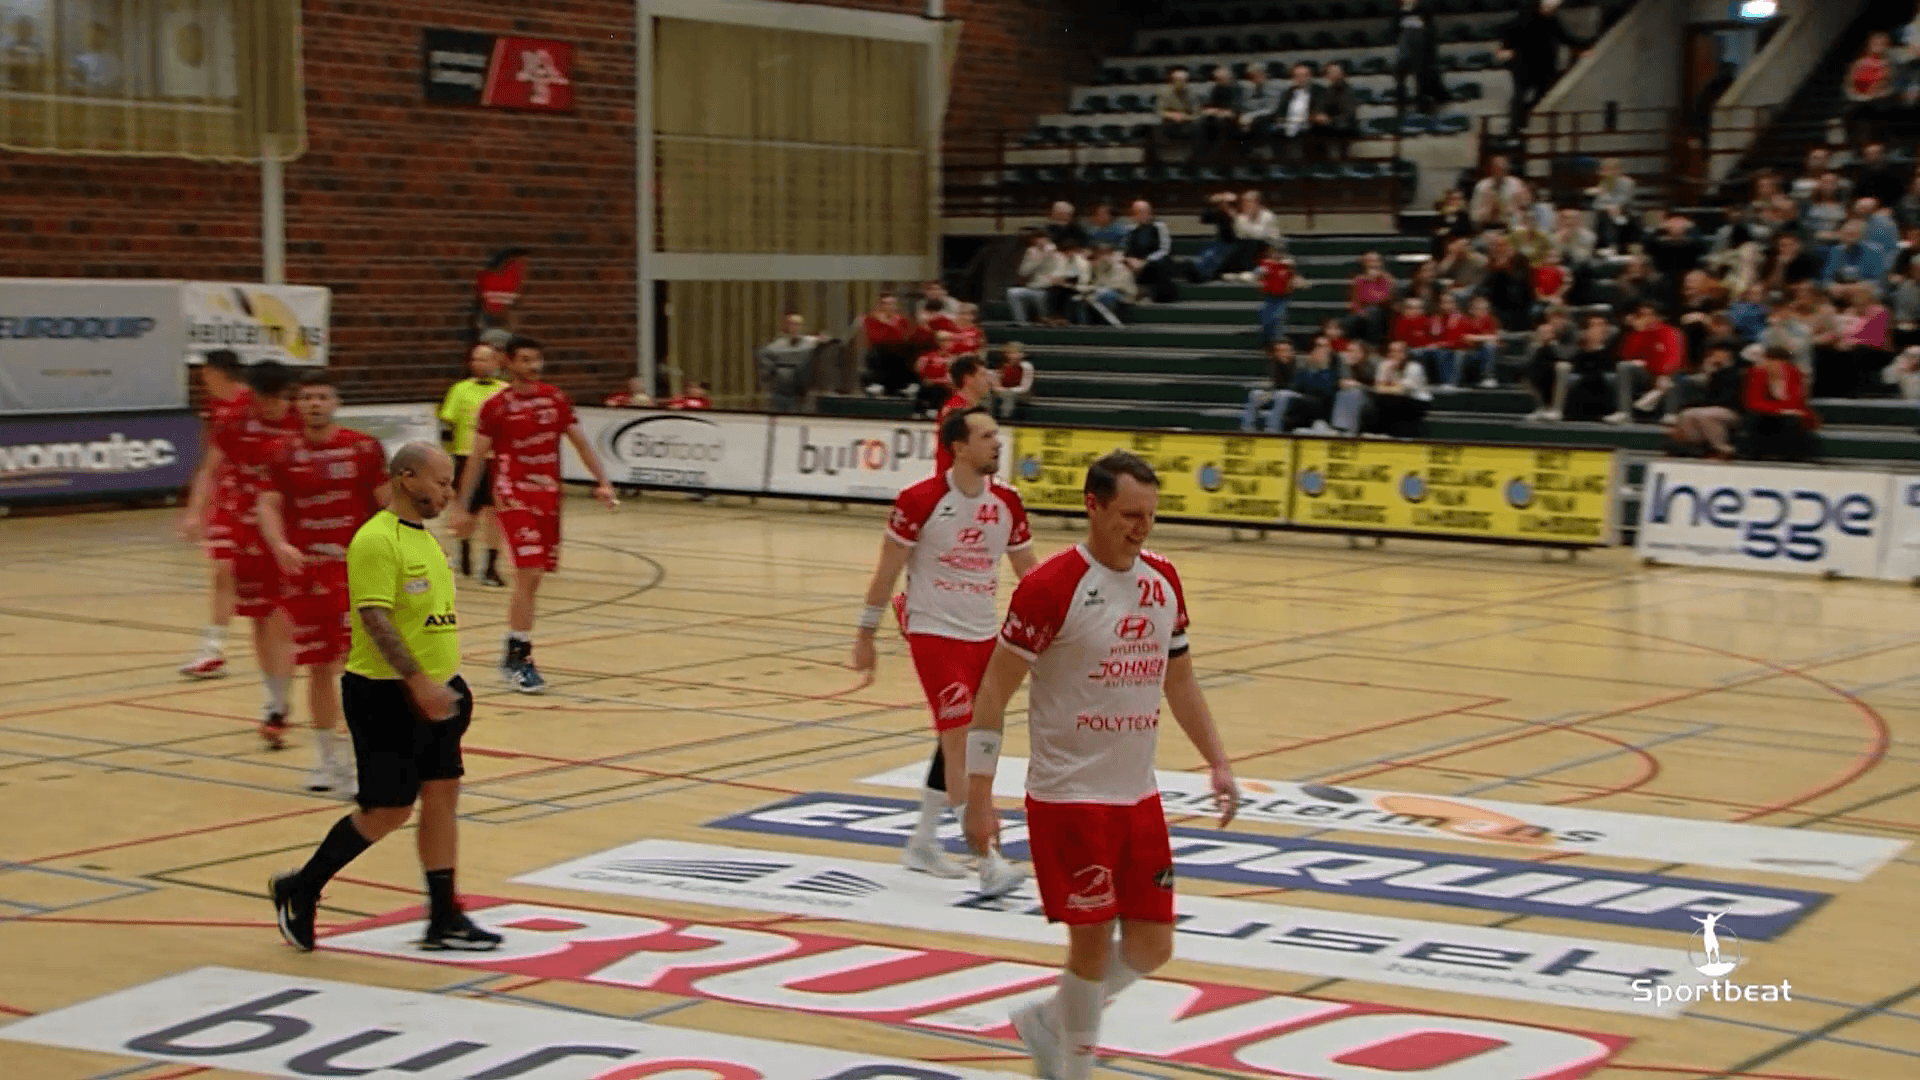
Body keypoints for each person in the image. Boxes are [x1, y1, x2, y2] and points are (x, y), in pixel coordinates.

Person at [961, 450, 1237, 1080]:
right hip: (1069, 797)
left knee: (1152, 946)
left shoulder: (1164, 581)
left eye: (1150, 517)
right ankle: (1073, 1068)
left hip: (1137, 797)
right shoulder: (1050, 587)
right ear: (1093, 505)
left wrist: (1217, 761)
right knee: (1089, 946)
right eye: (1129, 515)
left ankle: (1048, 1023)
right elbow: (992, 694)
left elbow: (1182, 682)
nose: (1140, 529)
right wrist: (979, 794)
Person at [269, 443, 501, 954]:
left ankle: (444, 916)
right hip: (386, 696)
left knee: (442, 798)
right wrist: (418, 682)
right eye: (440, 483)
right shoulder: (375, 541)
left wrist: (448, 683)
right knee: (387, 810)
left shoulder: (425, 542)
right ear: (406, 477)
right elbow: (375, 619)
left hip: (439, 691)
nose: (447, 492)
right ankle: (301, 888)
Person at [853, 407, 1036, 895]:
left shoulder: (1009, 503)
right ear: (958, 447)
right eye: (986, 436)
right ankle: (987, 858)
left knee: (966, 739)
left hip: (984, 636)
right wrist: (865, 634)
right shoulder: (921, 500)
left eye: (998, 435)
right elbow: (887, 570)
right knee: (961, 739)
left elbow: (1031, 578)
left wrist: (1057, 633)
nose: (997, 443)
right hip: (934, 632)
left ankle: (924, 840)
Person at [452, 336, 618, 694]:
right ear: (508, 363)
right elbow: (476, 460)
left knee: (536, 576)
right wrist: (462, 506)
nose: (533, 367)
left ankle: (514, 647)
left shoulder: (554, 399)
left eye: (537, 360)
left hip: (547, 497)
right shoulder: (496, 407)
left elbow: (580, 442)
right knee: (528, 571)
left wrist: (602, 481)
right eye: (525, 360)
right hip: (513, 495)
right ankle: (519, 655)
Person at [257, 372, 389, 795]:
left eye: (322, 397)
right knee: (317, 666)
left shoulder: (362, 448)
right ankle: (326, 759)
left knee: (352, 666)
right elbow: (268, 502)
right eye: (307, 397)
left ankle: (358, 760)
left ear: (336, 402)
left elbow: (388, 503)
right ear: (298, 405)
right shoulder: (280, 452)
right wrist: (278, 544)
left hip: (356, 570)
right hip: (307, 574)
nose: (314, 403)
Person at [181, 358, 303, 747]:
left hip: (294, 524)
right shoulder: (235, 420)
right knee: (262, 618)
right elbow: (210, 467)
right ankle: (275, 703)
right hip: (248, 525)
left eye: (277, 399)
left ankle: (289, 699)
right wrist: (195, 511)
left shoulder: (302, 418)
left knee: (288, 618)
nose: (271, 407)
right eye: (264, 399)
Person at [176, 349, 256, 680]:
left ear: (217, 372)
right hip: (227, 502)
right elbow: (211, 461)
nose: (201, 380)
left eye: (204, 373)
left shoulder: (253, 403)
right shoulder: (215, 408)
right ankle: (213, 650)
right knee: (223, 571)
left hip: (258, 499)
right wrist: (195, 511)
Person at [439, 343, 508, 588]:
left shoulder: (505, 391)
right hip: (466, 456)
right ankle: (464, 549)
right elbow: (447, 424)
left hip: (495, 459)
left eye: (484, 360)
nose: (479, 364)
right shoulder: (459, 390)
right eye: (475, 359)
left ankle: (490, 566)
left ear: (496, 363)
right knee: (467, 511)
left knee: (494, 512)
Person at [1497, 0, 1589, 135]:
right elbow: (1507, 30)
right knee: (1520, 95)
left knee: (1543, 91)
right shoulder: (1525, 17)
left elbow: (1564, 37)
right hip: (1524, 65)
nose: (1552, 11)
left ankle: (1524, 115)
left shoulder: (1551, 21)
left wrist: (1584, 46)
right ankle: (1515, 128)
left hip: (1544, 65)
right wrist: (1505, 47)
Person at [1670, 342, 1746, 459]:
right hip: (1715, 408)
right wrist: (1709, 373)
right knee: (1686, 414)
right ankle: (1695, 447)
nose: (1715, 356)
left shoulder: (1739, 372)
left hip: (1735, 410)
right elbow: (1708, 397)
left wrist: (1716, 373)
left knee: (1705, 415)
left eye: (1719, 354)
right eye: (1714, 354)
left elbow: (1731, 398)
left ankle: (1723, 448)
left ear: (1728, 355)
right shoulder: (1716, 373)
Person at [1745, 345, 1815, 460]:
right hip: (1768, 411)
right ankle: (1755, 456)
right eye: (1768, 360)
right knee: (1754, 416)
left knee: (1793, 419)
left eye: (1777, 361)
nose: (1771, 364)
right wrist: (1780, 410)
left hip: (1792, 411)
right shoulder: (1757, 373)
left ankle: (1793, 457)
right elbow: (1753, 402)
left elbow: (1797, 401)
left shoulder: (1794, 373)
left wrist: (1785, 410)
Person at [934, 356, 994, 474]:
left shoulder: (967, 408)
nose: (988, 381)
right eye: (983, 375)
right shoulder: (957, 410)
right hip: (956, 483)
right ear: (968, 379)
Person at [1390, 0, 1447, 116]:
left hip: (1423, 54)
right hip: (1405, 53)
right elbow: (1393, 32)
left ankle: (1423, 107)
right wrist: (1405, 9)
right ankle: (1401, 107)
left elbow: (1432, 32)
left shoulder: (1425, 10)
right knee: (1399, 76)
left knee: (1422, 79)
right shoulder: (1398, 14)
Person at [757, 314, 822, 413]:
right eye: (792, 324)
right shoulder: (774, 347)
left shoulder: (810, 344)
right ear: (785, 326)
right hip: (780, 393)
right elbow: (765, 368)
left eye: (798, 325)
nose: (795, 327)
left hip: (803, 395)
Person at [860, 294, 918, 397]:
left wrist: (890, 324)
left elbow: (907, 337)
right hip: (882, 355)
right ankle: (876, 384)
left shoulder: (902, 320)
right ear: (880, 305)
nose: (889, 307)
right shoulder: (872, 320)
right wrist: (888, 325)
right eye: (885, 304)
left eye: (891, 304)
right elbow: (876, 338)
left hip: (900, 356)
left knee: (910, 349)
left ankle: (908, 384)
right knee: (877, 351)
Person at [1256, 245, 1298, 343]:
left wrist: (1290, 285)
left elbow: (1292, 278)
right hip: (1269, 296)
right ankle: (1268, 338)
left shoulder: (1287, 265)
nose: (1276, 255)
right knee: (1266, 316)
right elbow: (1260, 278)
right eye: (1274, 252)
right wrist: (1261, 284)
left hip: (1282, 296)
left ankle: (1276, 339)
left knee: (1278, 317)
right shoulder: (1265, 265)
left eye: (1279, 252)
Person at [993, 344, 1036, 419]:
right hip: (1003, 391)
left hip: (1022, 394)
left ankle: (1005, 419)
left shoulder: (1026, 366)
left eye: (1016, 353)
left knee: (1009, 396)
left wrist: (1008, 390)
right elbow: (996, 382)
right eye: (1010, 353)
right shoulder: (1001, 365)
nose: (1014, 356)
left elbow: (1025, 387)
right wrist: (997, 388)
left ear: (1022, 354)